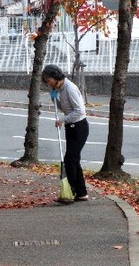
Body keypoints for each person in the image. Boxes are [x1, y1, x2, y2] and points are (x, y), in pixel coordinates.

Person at [42, 64, 89, 201]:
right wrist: (53, 98)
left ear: (56, 76)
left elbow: (79, 110)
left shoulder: (70, 88)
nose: (48, 83)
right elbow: (62, 107)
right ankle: (82, 193)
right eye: (46, 81)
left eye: (49, 79)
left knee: (70, 160)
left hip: (79, 127)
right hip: (71, 127)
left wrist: (62, 119)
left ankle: (70, 191)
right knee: (74, 161)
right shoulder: (59, 89)